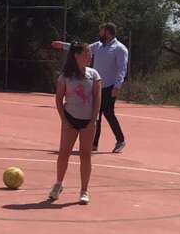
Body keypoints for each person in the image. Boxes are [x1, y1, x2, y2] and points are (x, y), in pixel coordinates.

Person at [51, 23, 128, 153]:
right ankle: (94, 144)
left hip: (109, 86)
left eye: (101, 31)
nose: (99, 34)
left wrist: (117, 86)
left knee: (108, 114)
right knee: (95, 113)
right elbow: (79, 49)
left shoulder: (120, 48)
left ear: (108, 32)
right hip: (95, 85)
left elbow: (122, 69)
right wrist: (62, 45)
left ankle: (120, 140)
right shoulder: (97, 46)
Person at [47, 41, 101, 205]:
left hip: (88, 122)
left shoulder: (94, 74)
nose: (90, 56)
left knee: (85, 156)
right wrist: (64, 120)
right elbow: (58, 99)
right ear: (77, 56)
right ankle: (58, 183)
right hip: (70, 119)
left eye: (90, 53)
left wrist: (93, 120)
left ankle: (84, 190)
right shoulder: (65, 76)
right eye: (87, 53)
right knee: (64, 154)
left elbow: (97, 97)